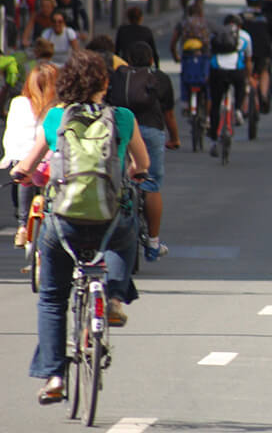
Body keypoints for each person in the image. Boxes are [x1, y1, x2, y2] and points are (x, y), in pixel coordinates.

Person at [12, 50, 150, 404]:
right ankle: (115, 297)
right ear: (105, 84)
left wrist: (21, 173)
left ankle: (55, 376)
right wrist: (135, 172)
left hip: (64, 223)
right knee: (126, 230)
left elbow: (29, 165)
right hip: (109, 219)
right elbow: (142, 164)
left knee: (52, 298)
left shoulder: (55, 117)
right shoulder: (123, 118)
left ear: (67, 82)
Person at [107, 42, 179, 261]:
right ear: (151, 60)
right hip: (151, 130)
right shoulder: (159, 78)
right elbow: (168, 114)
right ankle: (154, 243)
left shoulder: (117, 76)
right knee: (151, 183)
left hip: (120, 128)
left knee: (116, 181)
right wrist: (174, 138)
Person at [0, 62, 57, 247]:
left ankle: (23, 226)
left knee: (24, 177)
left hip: (22, 157)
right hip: (49, 159)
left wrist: (9, 157)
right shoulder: (58, 108)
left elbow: (11, 132)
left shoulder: (18, 103)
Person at [207, 14, 252, 158]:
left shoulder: (217, 33)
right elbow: (248, 59)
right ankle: (238, 110)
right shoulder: (244, 36)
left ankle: (213, 140)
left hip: (217, 70)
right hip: (235, 71)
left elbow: (209, 53)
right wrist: (248, 77)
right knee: (241, 85)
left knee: (215, 105)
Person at [241, 0, 272, 113]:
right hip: (263, 50)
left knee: (245, 73)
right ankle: (264, 95)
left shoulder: (241, 17)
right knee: (264, 71)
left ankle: (244, 101)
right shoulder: (267, 18)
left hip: (245, 50)